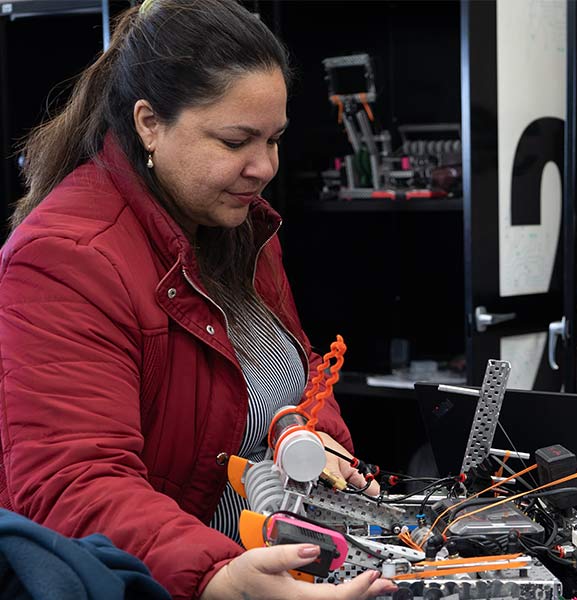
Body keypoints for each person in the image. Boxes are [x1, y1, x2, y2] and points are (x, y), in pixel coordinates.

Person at [0, 0, 397, 598]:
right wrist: (217, 576)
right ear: (149, 123)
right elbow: (75, 484)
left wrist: (317, 438)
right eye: (237, 140)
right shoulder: (64, 258)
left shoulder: (239, 227)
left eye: (274, 139)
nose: (263, 166)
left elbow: (288, 377)